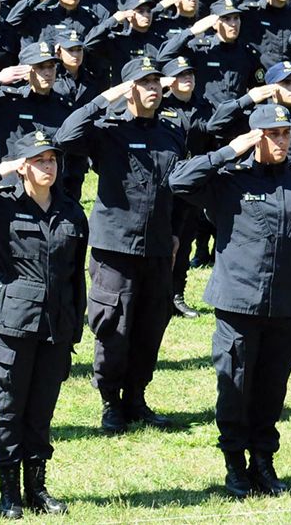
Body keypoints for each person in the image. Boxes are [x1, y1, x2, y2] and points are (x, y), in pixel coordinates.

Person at [169, 104, 291, 498]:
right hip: (239, 303)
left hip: (285, 306)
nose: (282, 141)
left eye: (286, 133)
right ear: (255, 138)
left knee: (272, 389)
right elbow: (179, 181)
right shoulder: (229, 180)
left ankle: (264, 463)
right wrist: (229, 151)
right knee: (235, 387)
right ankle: (235, 466)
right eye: (273, 134)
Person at [0, 130, 87, 520]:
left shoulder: (72, 211)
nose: (48, 166)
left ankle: (37, 487)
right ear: (23, 167)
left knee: (41, 411)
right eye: (39, 160)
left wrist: (75, 328)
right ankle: (9, 492)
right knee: (11, 408)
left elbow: (76, 276)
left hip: (56, 326)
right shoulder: (0, 205)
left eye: (52, 160)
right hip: (14, 323)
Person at [54, 58, 186, 434]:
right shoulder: (107, 130)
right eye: (144, 83)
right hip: (116, 246)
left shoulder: (172, 131)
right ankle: (110, 401)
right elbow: (65, 137)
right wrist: (103, 99)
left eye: (156, 82)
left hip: (159, 246)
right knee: (114, 325)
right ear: (128, 89)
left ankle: (137, 397)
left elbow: (178, 188)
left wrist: (175, 233)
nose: (154, 89)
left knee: (150, 325)